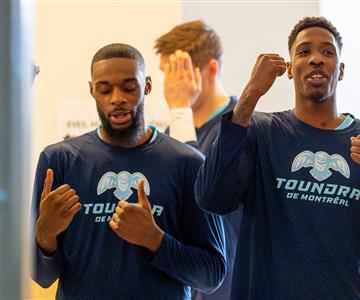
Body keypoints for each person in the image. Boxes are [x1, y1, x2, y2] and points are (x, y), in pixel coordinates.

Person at [195, 16, 360, 299]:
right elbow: (211, 198)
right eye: (304, 52)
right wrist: (250, 95)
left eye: (328, 52)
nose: (316, 59)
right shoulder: (260, 132)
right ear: (289, 68)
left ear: (341, 70)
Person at [31, 43, 226, 299]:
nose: (117, 98)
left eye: (128, 87)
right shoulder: (59, 160)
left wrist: (155, 239)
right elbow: (42, 277)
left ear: (146, 86)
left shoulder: (188, 164)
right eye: (104, 89)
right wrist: (45, 234)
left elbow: (211, 275)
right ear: (92, 91)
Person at [155, 20, 240, 300]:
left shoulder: (241, 128)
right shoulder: (174, 132)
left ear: (211, 69)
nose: (171, 86)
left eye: (179, 73)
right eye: (168, 74)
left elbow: (201, 196)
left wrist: (179, 107)